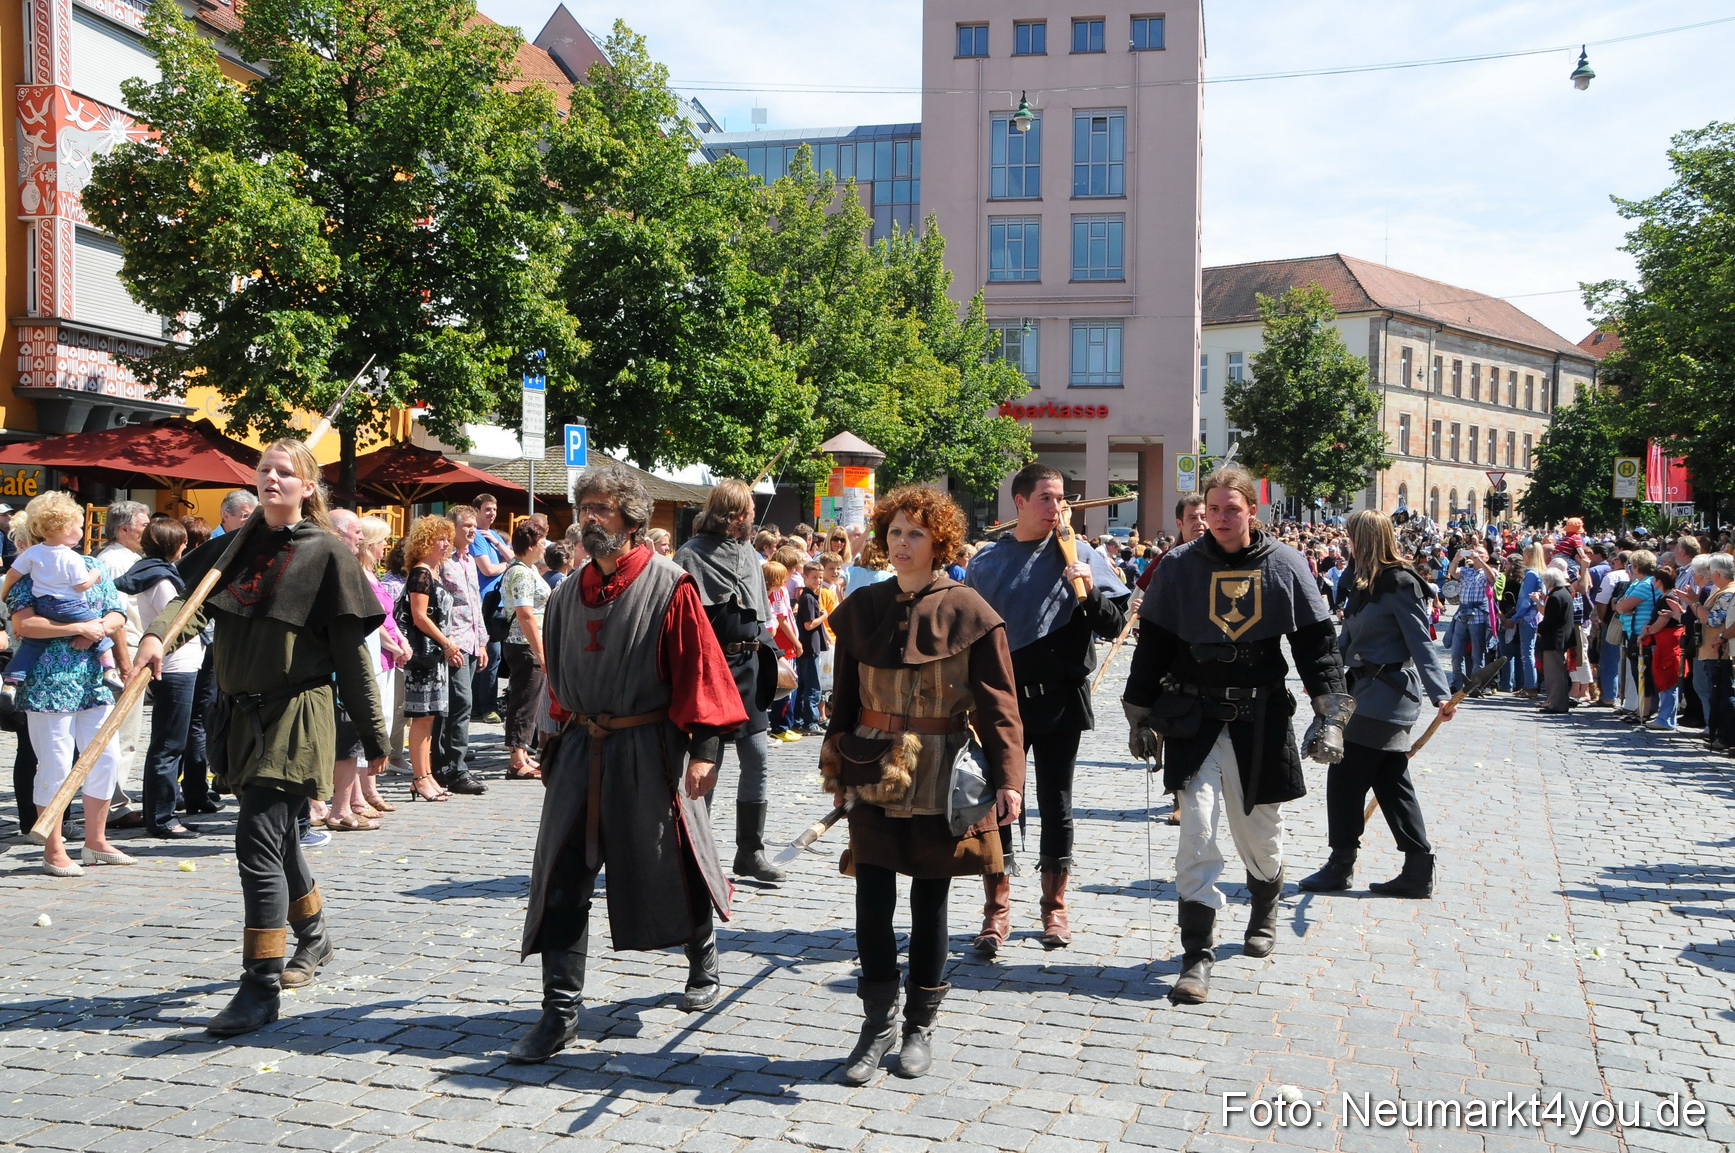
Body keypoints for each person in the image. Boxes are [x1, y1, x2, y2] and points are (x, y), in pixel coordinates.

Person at [133, 440, 388, 1036]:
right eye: (264, 470)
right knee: (278, 841)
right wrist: (155, 638)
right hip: (239, 717)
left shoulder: (326, 553)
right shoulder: (234, 548)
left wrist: (375, 735)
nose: (271, 479)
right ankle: (316, 939)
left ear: (307, 486)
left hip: (298, 713)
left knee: (256, 840)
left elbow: (353, 656)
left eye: (284, 472)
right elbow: (189, 604)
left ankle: (260, 985)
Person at [511, 465, 746, 1064]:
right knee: (560, 879)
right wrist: (548, 739)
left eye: (603, 509)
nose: (589, 519)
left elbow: (701, 670)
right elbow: (557, 679)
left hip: (649, 750)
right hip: (578, 752)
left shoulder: (671, 586)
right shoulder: (566, 591)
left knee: (669, 863)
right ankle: (560, 1013)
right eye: (583, 508)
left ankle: (702, 957)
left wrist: (705, 751)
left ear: (634, 520)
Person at [1122, 466, 1350, 1005]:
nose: (1221, 519)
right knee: (1196, 834)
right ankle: (1196, 954)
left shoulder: (1285, 565)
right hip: (1193, 720)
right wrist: (1140, 713)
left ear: (1253, 511)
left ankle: (1265, 901)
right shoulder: (1179, 567)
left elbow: (1317, 648)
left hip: (1261, 720)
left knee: (1260, 835)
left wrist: (1331, 715)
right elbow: (1152, 644)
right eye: (1214, 510)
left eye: (1232, 509)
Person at [822, 485, 1023, 1083]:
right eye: (894, 532)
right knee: (872, 897)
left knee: (930, 900)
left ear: (939, 541)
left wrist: (1009, 778)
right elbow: (844, 702)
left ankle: (919, 1025)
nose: (902, 543)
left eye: (915, 533)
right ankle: (876, 1023)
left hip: (940, 769)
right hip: (873, 766)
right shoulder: (862, 609)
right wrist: (836, 766)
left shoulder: (970, 611)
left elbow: (1000, 705)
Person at [964, 463, 1129, 953]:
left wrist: (1089, 589)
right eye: (1047, 498)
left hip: (1060, 699)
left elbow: (1113, 623)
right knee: (996, 803)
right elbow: (967, 635)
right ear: (1019, 502)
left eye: (1062, 498)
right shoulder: (987, 562)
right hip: (1001, 703)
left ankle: (1054, 908)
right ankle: (997, 909)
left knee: (1057, 804)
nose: (1058, 507)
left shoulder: (1081, 552)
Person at [1297, 511, 1452, 898]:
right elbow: (1347, 638)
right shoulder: (1361, 582)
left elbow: (1420, 641)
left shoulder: (1400, 582)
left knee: (1346, 777)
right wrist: (1324, 681)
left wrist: (1441, 693)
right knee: (1391, 782)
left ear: (1364, 538)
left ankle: (1340, 864)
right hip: (1360, 694)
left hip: (1388, 696)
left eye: (1351, 537)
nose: (1347, 543)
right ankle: (1417, 867)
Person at [6, 493, 131, 876]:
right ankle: (54, 847)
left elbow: (116, 612)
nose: (81, 529)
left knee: (104, 758)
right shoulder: (31, 572)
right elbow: (24, 624)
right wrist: (78, 627)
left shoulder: (92, 564)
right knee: (56, 765)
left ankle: (96, 841)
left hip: (92, 679)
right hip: (49, 681)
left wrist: (104, 634)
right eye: (75, 522)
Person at [673, 480, 786, 884]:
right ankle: (697, 855)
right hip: (712, 670)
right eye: (748, 512)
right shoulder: (691, 554)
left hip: (750, 668)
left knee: (757, 758)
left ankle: (750, 852)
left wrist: (774, 652)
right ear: (733, 515)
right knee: (708, 765)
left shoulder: (749, 554)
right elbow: (685, 621)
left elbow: (757, 615)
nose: (754, 518)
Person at [118, 517, 205, 839]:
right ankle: (162, 817)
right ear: (175, 545)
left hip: (180, 665)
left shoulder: (157, 571)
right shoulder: (161, 579)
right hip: (175, 667)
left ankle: (165, 812)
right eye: (182, 541)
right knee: (169, 745)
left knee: (172, 743)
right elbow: (175, 621)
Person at [0, 493, 124, 707]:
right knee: (100, 636)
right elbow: (80, 586)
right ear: (66, 529)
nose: (82, 531)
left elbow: (117, 614)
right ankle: (109, 669)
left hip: (46, 605)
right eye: (79, 526)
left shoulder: (33, 555)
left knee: (30, 646)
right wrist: (85, 628)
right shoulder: (75, 558)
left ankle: (11, 681)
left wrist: (3, 593)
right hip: (49, 686)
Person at [95, 500, 151, 828]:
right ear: (124, 528)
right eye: (142, 525)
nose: (147, 531)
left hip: (130, 648)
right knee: (122, 733)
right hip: (126, 650)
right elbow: (113, 617)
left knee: (123, 732)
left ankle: (113, 800)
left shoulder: (125, 558)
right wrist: (125, 663)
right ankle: (116, 805)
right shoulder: (116, 561)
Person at [399, 516, 461, 803]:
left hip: (435, 656)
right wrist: (448, 644)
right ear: (425, 541)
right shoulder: (421, 573)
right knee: (421, 718)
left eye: (447, 538)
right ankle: (420, 777)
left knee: (429, 718)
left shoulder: (435, 573)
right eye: (440, 538)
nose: (446, 543)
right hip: (424, 657)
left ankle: (426, 776)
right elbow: (419, 616)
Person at [434, 506, 489, 795]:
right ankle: (455, 769)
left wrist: (481, 642)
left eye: (473, 525)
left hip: (469, 641)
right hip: (452, 642)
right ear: (452, 528)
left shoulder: (468, 561)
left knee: (455, 706)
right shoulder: (443, 561)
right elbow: (436, 606)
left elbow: (475, 604)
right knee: (461, 704)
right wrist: (446, 643)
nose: (471, 530)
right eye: (466, 525)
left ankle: (443, 765)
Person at [499, 520, 550, 780]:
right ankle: (516, 759)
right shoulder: (520, 572)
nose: (544, 547)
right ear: (530, 544)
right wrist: (540, 651)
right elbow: (525, 614)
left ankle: (521, 751)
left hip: (527, 643)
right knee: (523, 701)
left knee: (529, 699)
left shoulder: (526, 569)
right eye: (541, 542)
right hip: (524, 644)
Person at [469, 494, 511, 725]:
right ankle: (485, 706)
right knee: (489, 654)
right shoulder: (475, 535)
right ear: (476, 510)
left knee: (492, 655)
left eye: (494, 509)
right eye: (487, 509)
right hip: (485, 603)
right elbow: (487, 569)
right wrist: (505, 564)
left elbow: (515, 558)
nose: (492, 513)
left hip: (499, 602)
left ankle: (481, 705)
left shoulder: (494, 536)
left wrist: (498, 544)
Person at [792, 561, 831, 734]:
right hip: (809, 646)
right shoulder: (808, 598)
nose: (818, 581)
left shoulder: (811, 596)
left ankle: (800, 719)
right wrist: (824, 616)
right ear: (805, 577)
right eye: (814, 577)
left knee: (805, 685)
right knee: (812, 686)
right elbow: (809, 625)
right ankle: (811, 721)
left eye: (820, 577)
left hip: (810, 646)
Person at [1535, 567, 1576, 714]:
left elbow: (1549, 620)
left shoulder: (1555, 596)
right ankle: (1557, 702)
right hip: (1562, 638)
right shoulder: (1565, 593)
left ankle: (1556, 704)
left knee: (1554, 675)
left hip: (1554, 640)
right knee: (1558, 673)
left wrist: (1539, 629)